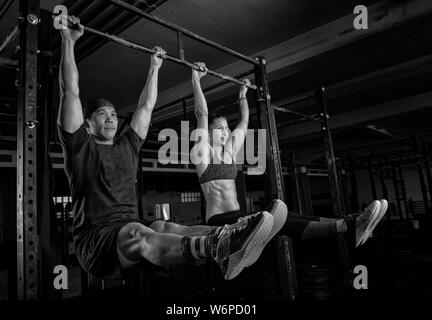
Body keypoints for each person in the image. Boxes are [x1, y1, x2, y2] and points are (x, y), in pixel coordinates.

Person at [56, 16, 288, 281]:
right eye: (101, 114)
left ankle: (233, 236)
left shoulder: (128, 144)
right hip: (97, 242)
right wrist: (68, 40)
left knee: (167, 226)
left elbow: (146, 106)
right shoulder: (79, 146)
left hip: (129, 227)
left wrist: (154, 67)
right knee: (138, 233)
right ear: (86, 124)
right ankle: (217, 247)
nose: (110, 118)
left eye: (112, 113)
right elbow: (70, 92)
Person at [191, 61, 388, 248]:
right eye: (219, 128)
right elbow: (202, 114)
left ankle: (347, 225)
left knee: (284, 216)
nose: (225, 132)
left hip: (237, 214)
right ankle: (347, 226)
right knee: (273, 218)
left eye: (226, 128)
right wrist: (196, 79)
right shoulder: (203, 154)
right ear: (207, 133)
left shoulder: (230, 152)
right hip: (218, 220)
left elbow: (243, 122)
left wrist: (242, 95)